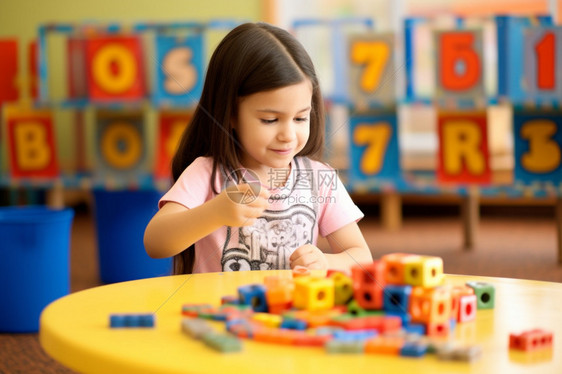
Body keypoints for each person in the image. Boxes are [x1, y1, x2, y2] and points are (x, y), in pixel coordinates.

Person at [144, 22, 372, 274]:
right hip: (220, 311)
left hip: (291, 311)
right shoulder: (207, 173)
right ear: (230, 113)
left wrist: (325, 262)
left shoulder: (320, 180)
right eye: (270, 120)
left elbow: (361, 257)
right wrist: (214, 213)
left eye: (300, 118)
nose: (287, 135)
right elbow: (155, 242)